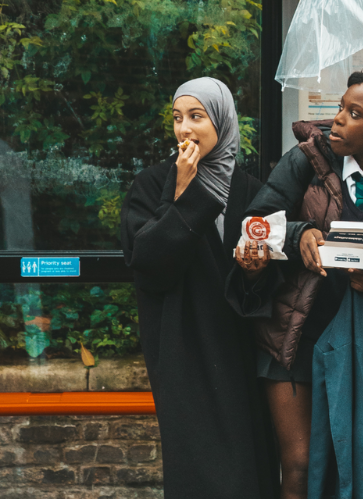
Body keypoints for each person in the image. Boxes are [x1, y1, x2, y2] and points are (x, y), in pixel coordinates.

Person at [230, 55, 363, 499]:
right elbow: (254, 222)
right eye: (341, 106)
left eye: (354, 114)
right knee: (300, 463)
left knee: (354, 460)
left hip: (362, 341)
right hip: (293, 336)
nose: (337, 119)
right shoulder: (307, 159)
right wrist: (298, 235)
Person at [120, 77, 278, 499]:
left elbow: (270, 283)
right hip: (182, 348)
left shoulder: (253, 190)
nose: (184, 129)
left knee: (247, 464)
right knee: (197, 466)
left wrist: (255, 271)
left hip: (239, 348)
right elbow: (148, 263)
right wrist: (182, 194)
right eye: (177, 118)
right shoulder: (153, 184)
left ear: (223, 122)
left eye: (196, 117)